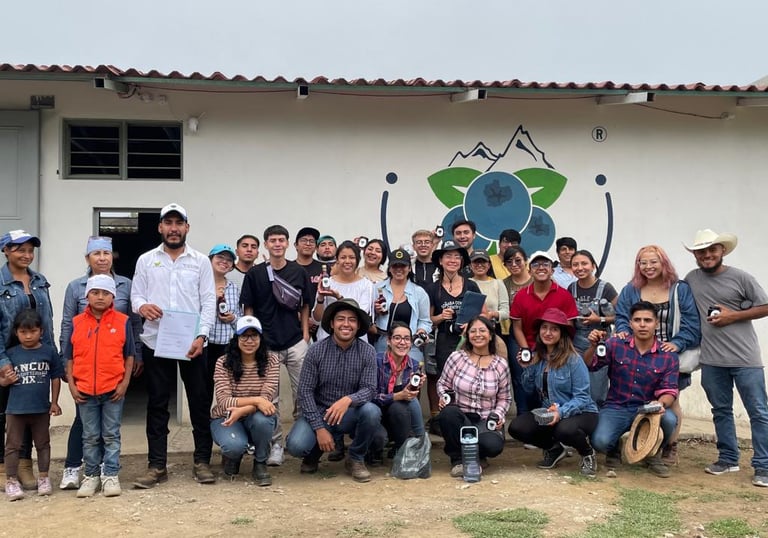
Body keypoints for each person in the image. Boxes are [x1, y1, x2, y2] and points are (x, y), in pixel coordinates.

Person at [130, 203, 218, 487]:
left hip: (192, 343)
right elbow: (135, 296)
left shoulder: (200, 261)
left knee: (199, 401)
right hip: (157, 341)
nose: (173, 228)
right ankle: (157, 465)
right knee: (157, 403)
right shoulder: (146, 260)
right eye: (168, 222)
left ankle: (202, 461)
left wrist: (202, 336)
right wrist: (143, 307)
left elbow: (208, 302)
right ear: (160, 228)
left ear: (187, 228)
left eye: (179, 223)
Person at [684, 229, 768, 487]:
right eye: (701, 251)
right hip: (711, 359)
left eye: (712, 250)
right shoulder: (691, 279)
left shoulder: (741, 278)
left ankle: (763, 466)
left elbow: (765, 306)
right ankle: (728, 458)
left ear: (722, 251)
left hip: (745, 359)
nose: (707, 255)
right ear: (695, 255)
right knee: (721, 411)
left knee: (758, 412)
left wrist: (733, 315)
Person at [615, 245, 700, 464]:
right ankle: (644, 442)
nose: (648, 267)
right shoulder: (630, 289)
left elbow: (692, 324)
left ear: (663, 263)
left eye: (653, 262)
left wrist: (677, 343)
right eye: (643, 262)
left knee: (672, 402)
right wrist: (624, 332)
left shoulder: (679, 289)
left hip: (667, 353)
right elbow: (622, 317)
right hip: (637, 351)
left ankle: (670, 446)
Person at [240, 224, 313, 467]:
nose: (278, 244)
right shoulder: (255, 274)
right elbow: (248, 308)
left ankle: (302, 441)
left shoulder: (298, 271)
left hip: (295, 341)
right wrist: (252, 339)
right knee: (270, 398)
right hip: (266, 344)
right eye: (273, 240)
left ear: (288, 243)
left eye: (282, 240)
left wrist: (304, 334)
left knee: (303, 393)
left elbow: (305, 306)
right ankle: (276, 445)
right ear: (266, 244)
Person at [286, 299, 380, 483]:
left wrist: (347, 400)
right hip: (320, 412)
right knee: (296, 445)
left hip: (349, 413)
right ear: (331, 323)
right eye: (340, 319)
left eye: (352, 320)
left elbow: (369, 389)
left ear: (358, 325)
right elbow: (304, 392)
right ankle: (313, 454)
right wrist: (319, 428)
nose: (346, 324)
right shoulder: (315, 351)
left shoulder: (368, 351)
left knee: (372, 412)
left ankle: (355, 458)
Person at [585, 301, 679, 478]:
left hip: (647, 410)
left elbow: (670, 390)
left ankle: (652, 453)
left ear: (656, 323)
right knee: (600, 442)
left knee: (669, 419)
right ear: (630, 323)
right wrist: (592, 346)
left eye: (648, 320)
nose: (642, 324)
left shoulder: (668, 355)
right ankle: (614, 448)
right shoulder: (615, 344)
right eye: (637, 320)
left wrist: (659, 404)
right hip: (617, 407)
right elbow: (590, 365)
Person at [64, 275, 134, 498]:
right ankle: (91, 476)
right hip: (84, 390)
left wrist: (124, 383)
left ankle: (111, 475)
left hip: (113, 389)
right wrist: (72, 386)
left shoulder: (123, 321)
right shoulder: (77, 322)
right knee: (90, 436)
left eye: (105, 293)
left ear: (113, 296)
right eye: (95, 293)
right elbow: (69, 357)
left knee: (111, 435)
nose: (100, 297)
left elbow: (129, 356)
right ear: (87, 296)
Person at [507, 308, 599, 477]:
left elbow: (583, 397)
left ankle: (587, 453)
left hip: (581, 411)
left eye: (554, 329)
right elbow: (528, 390)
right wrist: (526, 368)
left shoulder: (574, 359)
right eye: (544, 328)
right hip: (549, 411)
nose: (548, 333)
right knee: (517, 427)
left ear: (562, 334)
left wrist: (561, 412)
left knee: (563, 430)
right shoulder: (538, 357)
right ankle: (554, 449)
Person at [0, 229, 58, 491]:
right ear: (6, 251)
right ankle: (4, 468)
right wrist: (3, 363)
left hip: (35, 357)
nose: (26, 255)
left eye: (30, 250)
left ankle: (24, 465)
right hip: (8, 358)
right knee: (7, 413)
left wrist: (52, 355)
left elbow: (47, 322)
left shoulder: (39, 280)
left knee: (29, 410)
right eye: (19, 249)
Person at [0, 309, 63, 500]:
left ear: (41, 331)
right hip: (15, 410)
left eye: (33, 331)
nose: (28, 336)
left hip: (41, 409)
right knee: (12, 446)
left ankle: (43, 478)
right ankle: (11, 481)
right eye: (23, 332)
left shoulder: (48, 352)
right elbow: (1, 382)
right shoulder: (11, 354)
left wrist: (54, 402)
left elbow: (55, 378)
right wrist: (7, 381)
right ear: (16, 333)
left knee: (43, 444)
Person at [437, 316, 511, 477]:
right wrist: (444, 397)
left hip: (486, 420)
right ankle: (458, 460)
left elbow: (505, 398)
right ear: (467, 335)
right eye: (473, 331)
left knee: (493, 446)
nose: (478, 334)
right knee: (447, 414)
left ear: (491, 335)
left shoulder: (500, 364)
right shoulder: (457, 358)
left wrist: (498, 416)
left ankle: (476, 455)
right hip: (461, 417)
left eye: (482, 330)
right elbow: (443, 384)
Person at [210, 316, 279, 486]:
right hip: (225, 417)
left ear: (261, 339)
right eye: (244, 336)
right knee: (234, 446)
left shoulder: (272, 360)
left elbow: (267, 399)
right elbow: (224, 401)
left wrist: (242, 410)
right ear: (236, 339)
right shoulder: (223, 362)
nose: (249, 341)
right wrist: (256, 401)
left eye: (254, 336)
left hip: (255, 416)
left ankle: (260, 462)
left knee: (263, 420)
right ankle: (234, 455)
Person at [425, 240, 481, 434]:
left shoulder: (471, 285)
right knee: (444, 379)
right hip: (443, 340)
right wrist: (440, 317)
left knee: (470, 377)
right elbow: (428, 320)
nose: (453, 260)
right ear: (440, 260)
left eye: (457, 256)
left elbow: (481, 314)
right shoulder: (433, 288)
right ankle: (445, 418)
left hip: (468, 340)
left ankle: (470, 417)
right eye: (448, 256)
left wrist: (471, 325)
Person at [568, 249, 618, 406]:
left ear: (593, 266)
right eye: (575, 264)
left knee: (597, 386)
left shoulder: (606, 288)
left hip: (600, 342)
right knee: (577, 383)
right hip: (577, 343)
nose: (580, 268)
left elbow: (620, 316)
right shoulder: (571, 288)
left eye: (584, 263)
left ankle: (596, 418)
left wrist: (600, 319)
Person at [371, 322, 426, 459]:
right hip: (374, 414)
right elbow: (369, 396)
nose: (402, 342)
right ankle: (372, 452)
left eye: (407, 339)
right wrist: (397, 395)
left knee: (402, 407)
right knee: (379, 439)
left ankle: (404, 448)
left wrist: (413, 390)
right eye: (397, 338)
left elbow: (408, 400)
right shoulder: (375, 361)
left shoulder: (413, 365)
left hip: (396, 416)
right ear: (388, 341)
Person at [510, 251, 578, 353]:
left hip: (557, 351)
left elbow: (568, 328)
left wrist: (558, 352)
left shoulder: (565, 296)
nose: (541, 268)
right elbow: (517, 328)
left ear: (552, 271)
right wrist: (526, 350)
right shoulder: (520, 296)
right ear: (529, 272)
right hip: (530, 350)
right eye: (535, 265)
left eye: (545, 264)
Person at [373, 249, 431, 363]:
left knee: (413, 375)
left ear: (409, 268)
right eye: (395, 266)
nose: (399, 269)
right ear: (389, 268)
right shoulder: (377, 289)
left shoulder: (419, 292)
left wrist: (421, 331)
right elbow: (368, 317)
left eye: (403, 266)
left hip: (409, 343)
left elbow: (425, 321)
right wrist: (376, 311)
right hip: (383, 341)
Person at [313, 241, 375, 342]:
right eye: (343, 257)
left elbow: (360, 315)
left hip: (356, 342)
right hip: (327, 340)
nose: (347, 261)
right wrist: (320, 298)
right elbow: (317, 319)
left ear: (357, 260)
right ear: (337, 260)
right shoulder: (328, 283)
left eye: (351, 257)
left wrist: (339, 298)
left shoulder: (366, 285)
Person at [501, 246, 534, 415]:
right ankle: (522, 412)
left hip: (539, 334)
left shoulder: (536, 281)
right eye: (509, 261)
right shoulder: (503, 284)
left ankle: (540, 414)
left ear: (526, 260)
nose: (514, 264)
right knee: (519, 374)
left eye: (518, 260)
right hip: (514, 334)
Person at [207, 244, 242, 399]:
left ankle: (228, 421)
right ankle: (204, 423)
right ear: (210, 260)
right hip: (205, 344)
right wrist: (211, 298)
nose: (224, 262)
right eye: (220, 257)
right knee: (203, 387)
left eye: (229, 260)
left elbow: (241, 318)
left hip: (228, 346)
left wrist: (232, 318)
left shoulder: (234, 288)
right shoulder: (199, 285)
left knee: (230, 387)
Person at [469, 249, 509, 341]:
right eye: (476, 262)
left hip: (493, 330)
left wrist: (491, 314)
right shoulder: (465, 283)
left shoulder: (498, 283)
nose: (479, 265)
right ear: (470, 265)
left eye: (483, 262)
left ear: (489, 265)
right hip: (471, 331)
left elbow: (506, 312)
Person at [293, 227, 323, 297]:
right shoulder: (288, 268)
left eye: (312, 241)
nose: (308, 244)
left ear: (316, 247)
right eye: (304, 240)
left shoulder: (324, 268)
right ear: (296, 245)